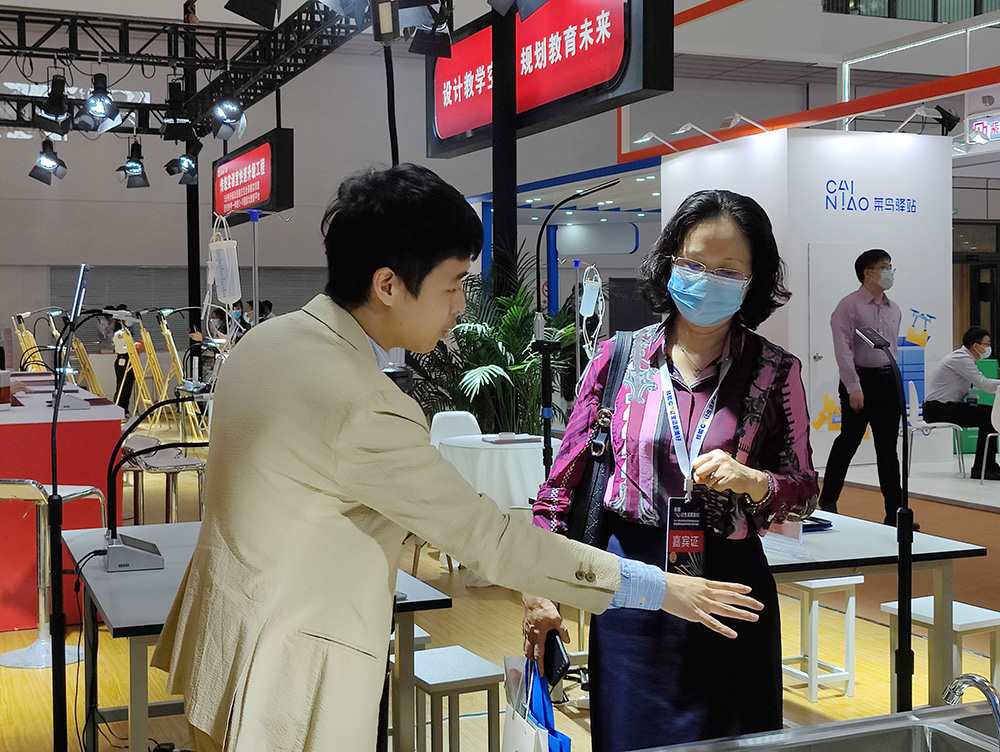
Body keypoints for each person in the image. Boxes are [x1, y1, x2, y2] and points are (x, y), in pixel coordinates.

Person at [150, 165, 764, 752]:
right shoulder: (364, 404)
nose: (461, 307)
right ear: (388, 285)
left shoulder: (266, 342)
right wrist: (657, 587)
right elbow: (493, 543)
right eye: (453, 286)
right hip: (290, 677)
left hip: (223, 648)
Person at [525, 189, 819, 751]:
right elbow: (559, 489)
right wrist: (540, 586)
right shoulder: (617, 359)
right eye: (694, 264)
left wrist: (756, 482)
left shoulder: (775, 371)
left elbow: (803, 490)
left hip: (731, 591)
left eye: (728, 270)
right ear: (669, 264)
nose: (708, 280)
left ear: (753, 282)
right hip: (630, 586)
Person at [817, 249, 906, 526]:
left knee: (888, 448)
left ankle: (895, 513)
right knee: (849, 441)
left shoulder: (894, 309)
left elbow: (893, 349)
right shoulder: (849, 306)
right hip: (860, 380)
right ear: (868, 273)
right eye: (884, 267)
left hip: (888, 380)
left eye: (890, 266)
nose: (889, 272)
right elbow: (843, 350)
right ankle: (828, 501)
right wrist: (853, 386)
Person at [923, 326, 1000, 480]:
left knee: (990, 414)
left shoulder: (965, 359)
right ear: (976, 346)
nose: (989, 348)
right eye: (987, 344)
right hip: (938, 408)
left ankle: (988, 465)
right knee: (989, 416)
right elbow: (984, 384)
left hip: (946, 406)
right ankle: (982, 468)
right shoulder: (961, 359)